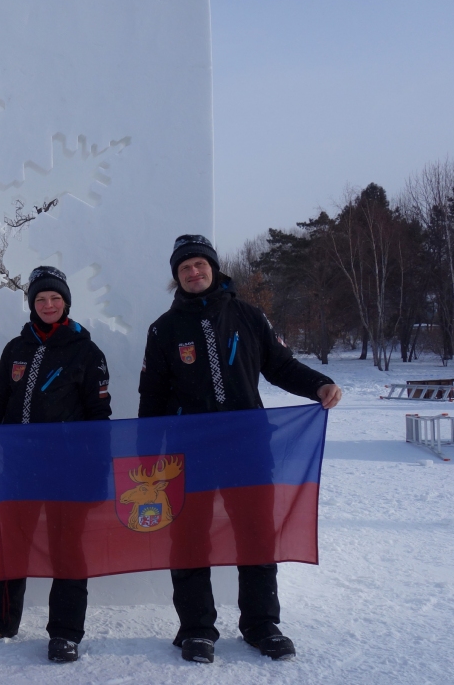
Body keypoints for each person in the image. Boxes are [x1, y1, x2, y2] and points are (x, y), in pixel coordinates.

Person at [138, 234, 342, 665]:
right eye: (184, 268)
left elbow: (280, 366)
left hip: (248, 450)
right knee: (190, 539)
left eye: (199, 265)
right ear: (176, 277)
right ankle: (196, 629)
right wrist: (146, 457)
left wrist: (318, 384)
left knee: (256, 536)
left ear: (213, 267)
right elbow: (151, 396)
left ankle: (261, 624)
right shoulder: (164, 329)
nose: (193, 273)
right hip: (187, 455)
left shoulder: (249, 316)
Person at [0, 266, 112, 663]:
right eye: (41, 299)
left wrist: (98, 470)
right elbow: (2, 400)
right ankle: (1, 619)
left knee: (66, 548)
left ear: (66, 303)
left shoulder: (86, 352)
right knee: (14, 543)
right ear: (32, 304)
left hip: (68, 469)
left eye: (55, 299)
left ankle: (65, 632)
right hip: (20, 467)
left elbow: (99, 417)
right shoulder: (16, 349)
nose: (48, 305)